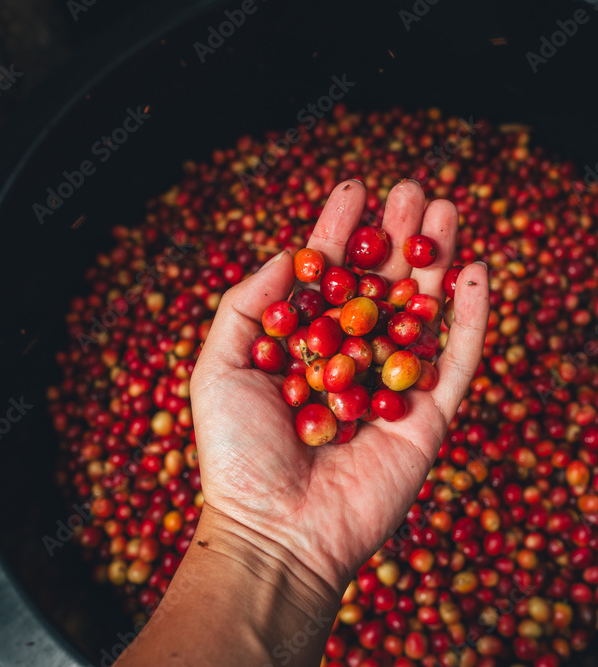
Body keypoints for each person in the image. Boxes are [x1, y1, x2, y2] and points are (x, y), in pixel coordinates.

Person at [114, 179, 490, 666]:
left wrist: (259, 544)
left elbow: (355, 349)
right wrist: (258, 537)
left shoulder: (342, 346)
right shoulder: (335, 355)